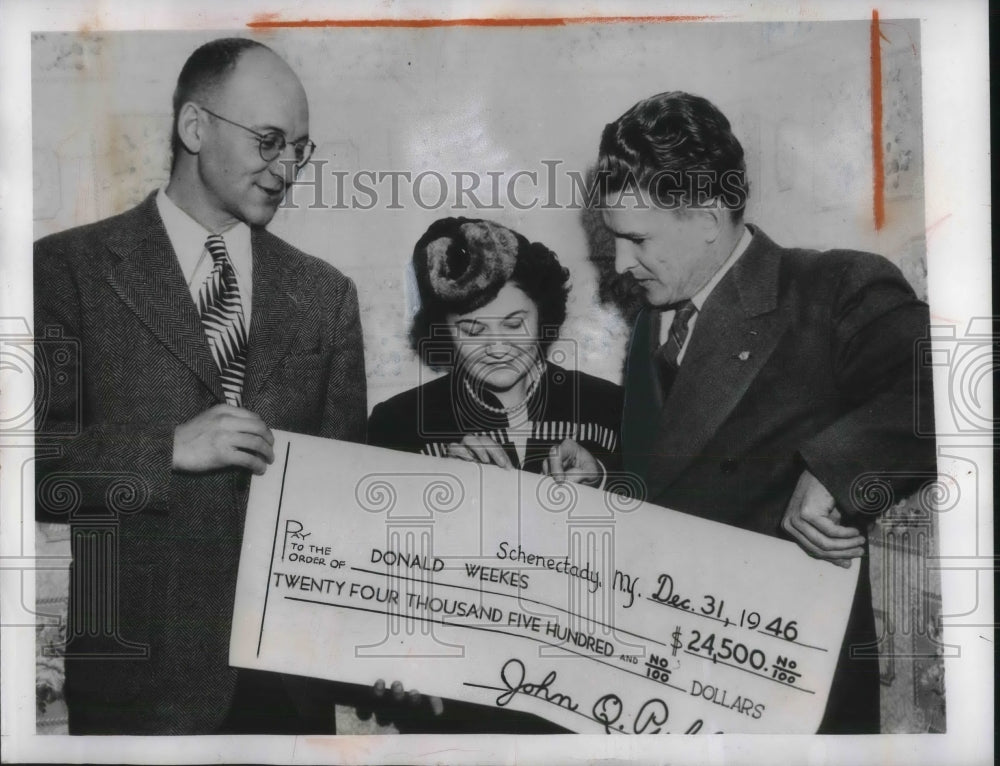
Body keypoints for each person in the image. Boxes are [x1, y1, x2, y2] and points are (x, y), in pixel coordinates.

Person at [568, 91, 934, 733]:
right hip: (667, 681)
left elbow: (947, 386)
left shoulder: (833, 287)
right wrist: (605, 479)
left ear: (708, 217)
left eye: (636, 239)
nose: (621, 264)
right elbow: (679, 476)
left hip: (787, 696)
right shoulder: (653, 320)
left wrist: (835, 468)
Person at [33, 38, 367, 734]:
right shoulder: (68, 270)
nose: (285, 170)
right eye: (268, 141)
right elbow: (29, 467)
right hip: (138, 687)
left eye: (298, 150)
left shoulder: (326, 294)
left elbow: (346, 501)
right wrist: (166, 451)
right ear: (194, 127)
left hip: (289, 688)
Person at [366, 216, 624, 732]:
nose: (497, 346)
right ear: (443, 330)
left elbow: (664, 546)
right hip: (461, 701)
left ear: (544, 318)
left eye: (515, 323)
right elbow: (371, 570)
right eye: (472, 329)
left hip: (590, 694)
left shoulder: (611, 407)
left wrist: (603, 484)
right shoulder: (396, 423)